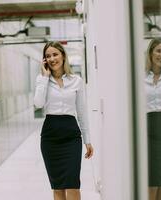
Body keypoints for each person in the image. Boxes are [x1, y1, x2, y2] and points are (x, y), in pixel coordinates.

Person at [34, 41, 94, 200]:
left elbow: (81, 112)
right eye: (48, 56)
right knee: (58, 187)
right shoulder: (42, 79)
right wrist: (45, 78)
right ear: (44, 60)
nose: (52, 58)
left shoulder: (76, 81)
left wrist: (87, 140)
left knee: (73, 185)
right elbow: (38, 103)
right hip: (50, 137)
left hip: (71, 136)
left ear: (63, 56)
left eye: (55, 54)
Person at [145, 38, 161, 200]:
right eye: (158, 50)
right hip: (147, 129)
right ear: (151, 52)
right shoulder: (141, 77)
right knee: (151, 181)